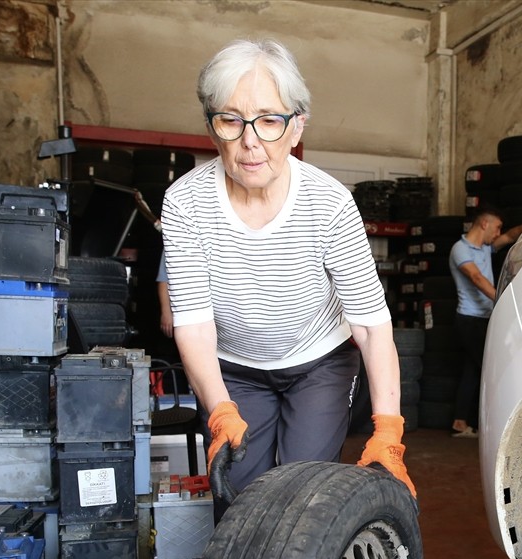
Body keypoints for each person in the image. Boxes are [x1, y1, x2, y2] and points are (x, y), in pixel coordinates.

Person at [159, 38, 414, 515]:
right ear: (212, 129)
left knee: (304, 498)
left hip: (318, 362)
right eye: (231, 120)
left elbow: (371, 326)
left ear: (297, 127)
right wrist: (219, 411)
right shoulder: (185, 203)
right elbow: (191, 321)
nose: (250, 141)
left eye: (270, 120)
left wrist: (388, 431)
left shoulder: (330, 203)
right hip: (234, 367)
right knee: (237, 503)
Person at [448, 206, 522, 437]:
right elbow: (476, 278)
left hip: (483, 319)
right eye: (497, 227)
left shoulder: (485, 248)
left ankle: (461, 422)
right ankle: (492, 427)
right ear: (484, 224)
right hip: (469, 320)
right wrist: (504, 301)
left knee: (472, 370)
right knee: (490, 371)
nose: (498, 232)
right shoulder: (460, 249)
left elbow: (512, 236)